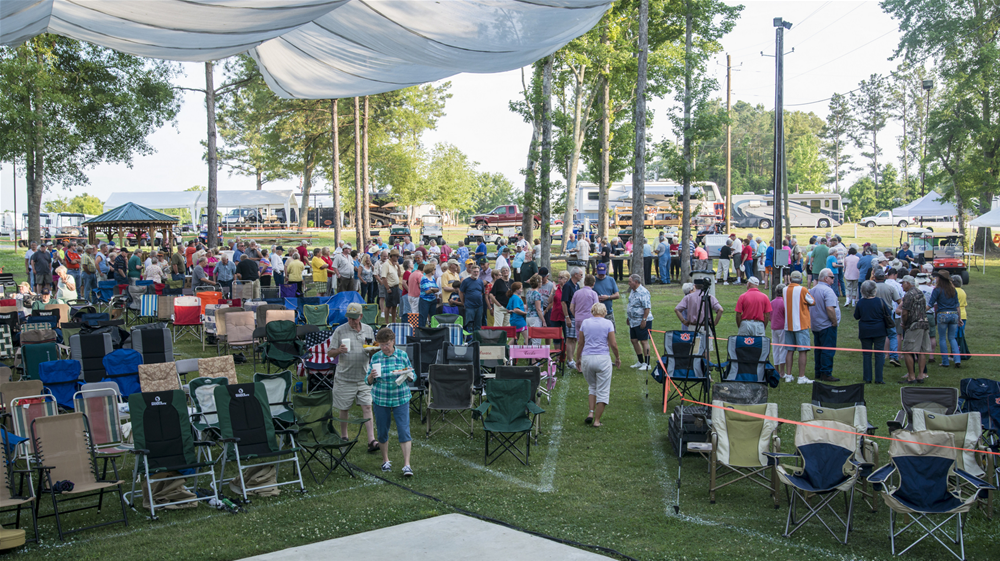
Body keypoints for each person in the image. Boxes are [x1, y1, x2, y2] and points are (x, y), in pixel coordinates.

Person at [326, 303, 380, 452]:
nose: (351, 321)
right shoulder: (340, 330)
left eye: (354, 318)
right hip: (345, 377)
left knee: (368, 406)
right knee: (344, 408)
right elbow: (329, 353)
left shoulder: (368, 329)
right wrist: (338, 350)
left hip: (363, 377)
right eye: (349, 318)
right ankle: (344, 437)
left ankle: (371, 440)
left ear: (361, 317)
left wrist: (372, 350)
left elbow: (373, 352)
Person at [366, 327, 415, 477]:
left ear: (393, 341)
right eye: (381, 345)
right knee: (382, 431)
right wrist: (372, 376)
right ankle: (385, 460)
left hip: (401, 398)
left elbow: (413, 375)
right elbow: (367, 381)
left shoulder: (402, 355)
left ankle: (407, 465)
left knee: (403, 430)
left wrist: (408, 375)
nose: (384, 348)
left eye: (387, 344)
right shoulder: (376, 358)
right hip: (381, 398)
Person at [576, 303, 620, 427]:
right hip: (603, 358)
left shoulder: (585, 323)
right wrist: (617, 358)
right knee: (603, 390)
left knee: (592, 386)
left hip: (587, 358)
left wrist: (578, 359)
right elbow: (613, 344)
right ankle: (596, 421)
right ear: (604, 312)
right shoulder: (608, 323)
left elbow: (581, 343)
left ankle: (590, 412)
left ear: (592, 311)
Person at [855, 280, 891, 384]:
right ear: (874, 290)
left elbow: (856, 316)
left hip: (865, 330)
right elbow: (888, 312)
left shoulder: (861, 302)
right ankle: (879, 378)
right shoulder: (880, 301)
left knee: (867, 354)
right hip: (879, 330)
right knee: (879, 354)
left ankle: (867, 378)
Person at [783, 271, 815, 385]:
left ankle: (788, 375)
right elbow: (812, 301)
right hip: (801, 323)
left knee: (790, 350)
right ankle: (801, 376)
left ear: (790, 279)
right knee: (803, 351)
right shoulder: (803, 289)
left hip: (788, 324)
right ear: (801, 279)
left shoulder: (785, 289)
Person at [810, 268, 841, 382]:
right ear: (825, 278)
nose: (833, 279)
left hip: (816, 324)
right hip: (826, 325)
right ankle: (826, 372)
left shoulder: (813, 290)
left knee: (818, 349)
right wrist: (834, 321)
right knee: (828, 349)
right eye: (831, 277)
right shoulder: (828, 291)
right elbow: (830, 308)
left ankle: (818, 372)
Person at [899, 275, 930, 383]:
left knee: (907, 351)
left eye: (903, 283)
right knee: (922, 351)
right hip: (924, 323)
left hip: (914, 325)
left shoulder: (909, 294)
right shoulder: (920, 292)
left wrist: (904, 323)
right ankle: (921, 375)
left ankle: (911, 376)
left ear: (908, 283)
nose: (902, 285)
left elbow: (904, 312)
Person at [928, 272, 961, 368]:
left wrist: (921, 311)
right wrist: (959, 318)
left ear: (940, 279)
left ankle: (945, 362)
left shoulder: (937, 290)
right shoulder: (953, 290)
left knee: (942, 338)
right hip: (953, 315)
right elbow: (957, 305)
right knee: (952, 338)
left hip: (942, 315)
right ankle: (957, 359)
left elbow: (930, 304)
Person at [872, 270, 901, 367]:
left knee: (879, 336)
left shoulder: (872, 288)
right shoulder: (890, 288)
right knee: (892, 335)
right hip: (888, 314)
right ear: (884, 277)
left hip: (876, 314)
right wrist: (898, 309)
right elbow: (899, 300)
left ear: (875, 277)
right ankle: (893, 356)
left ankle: (881, 356)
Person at [626, 274, 653, 371]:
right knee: (634, 340)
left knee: (644, 341)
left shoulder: (643, 292)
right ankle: (640, 361)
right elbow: (631, 304)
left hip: (642, 320)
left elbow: (647, 307)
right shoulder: (633, 291)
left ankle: (647, 363)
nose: (628, 283)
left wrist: (644, 320)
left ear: (635, 282)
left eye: (630, 281)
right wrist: (629, 317)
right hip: (633, 320)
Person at [561, 268, 583, 369]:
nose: (582, 277)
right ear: (575, 275)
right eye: (581, 275)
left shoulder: (577, 286)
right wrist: (567, 317)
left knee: (574, 338)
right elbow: (563, 302)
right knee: (570, 338)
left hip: (576, 315)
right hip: (570, 316)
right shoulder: (568, 286)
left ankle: (572, 359)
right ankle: (569, 360)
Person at [459, 264, 486, 333]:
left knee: (478, 324)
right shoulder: (466, 281)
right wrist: (463, 302)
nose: (476, 273)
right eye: (474, 271)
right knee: (469, 324)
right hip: (469, 306)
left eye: (477, 271)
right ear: (471, 272)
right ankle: (469, 339)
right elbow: (461, 292)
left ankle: (477, 340)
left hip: (479, 306)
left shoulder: (480, 282)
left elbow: (482, 293)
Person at [769, 284, 788, 381]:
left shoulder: (772, 302)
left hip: (774, 327)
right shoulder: (784, 303)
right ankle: (782, 371)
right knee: (782, 349)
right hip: (782, 327)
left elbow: (769, 315)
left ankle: (776, 370)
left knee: (775, 349)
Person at [380, 249, 403, 325]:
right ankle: (387, 322)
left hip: (396, 287)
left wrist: (398, 267)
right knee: (388, 305)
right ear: (392, 256)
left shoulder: (395, 264)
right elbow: (384, 277)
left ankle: (394, 321)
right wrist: (387, 288)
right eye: (397, 256)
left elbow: (399, 275)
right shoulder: (386, 264)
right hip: (390, 287)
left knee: (395, 305)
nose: (398, 258)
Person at [524, 275, 546, 342]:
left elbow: (527, 307)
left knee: (528, 339)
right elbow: (538, 309)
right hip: (535, 318)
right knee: (536, 340)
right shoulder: (537, 294)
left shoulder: (528, 292)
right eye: (541, 282)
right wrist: (543, 321)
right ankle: (535, 352)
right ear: (538, 283)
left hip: (528, 317)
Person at [418, 263, 439, 328]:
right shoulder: (424, 278)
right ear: (431, 270)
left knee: (433, 318)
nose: (435, 270)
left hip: (433, 300)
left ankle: (432, 332)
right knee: (423, 317)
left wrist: (432, 289)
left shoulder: (432, 278)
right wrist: (433, 290)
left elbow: (437, 289)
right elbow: (427, 291)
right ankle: (421, 331)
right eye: (434, 269)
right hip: (425, 301)